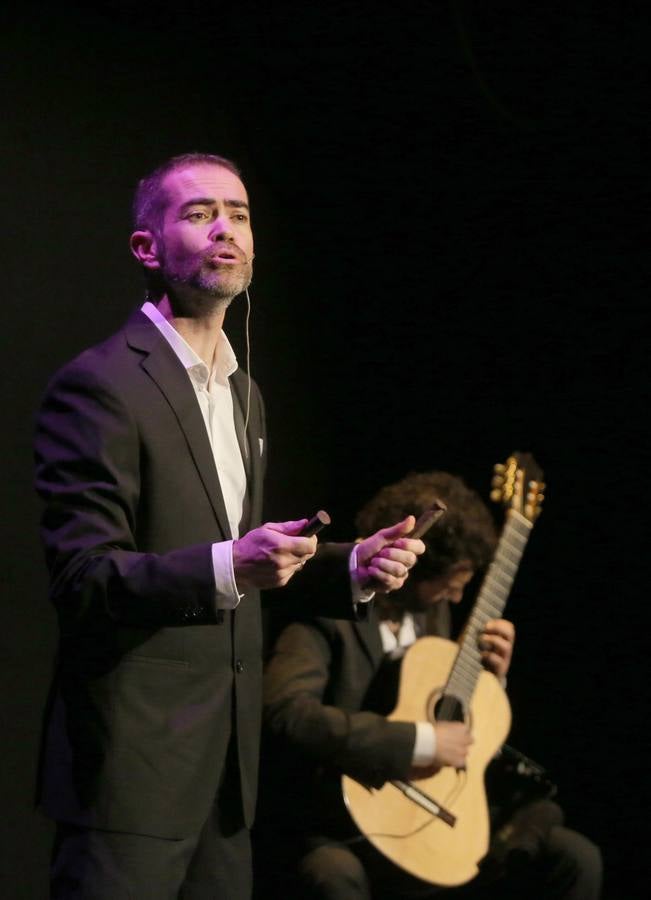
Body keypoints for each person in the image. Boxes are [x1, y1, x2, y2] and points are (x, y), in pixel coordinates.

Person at [33, 152, 425, 899]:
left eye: (239, 215)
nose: (226, 230)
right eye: (199, 213)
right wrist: (229, 565)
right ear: (147, 247)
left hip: (226, 778)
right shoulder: (100, 386)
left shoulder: (245, 395)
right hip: (132, 776)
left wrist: (347, 568)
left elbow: (246, 561)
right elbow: (83, 579)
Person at [258, 471, 602, 899]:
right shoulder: (324, 612)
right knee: (332, 874)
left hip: (427, 810)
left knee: (571, 855)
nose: (457, 598)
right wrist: (420, 742)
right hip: (339, 819)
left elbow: (441, 710)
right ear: (418, 566)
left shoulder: (428, 614)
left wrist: (491, 680)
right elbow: (285, 712)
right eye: (452, 582)